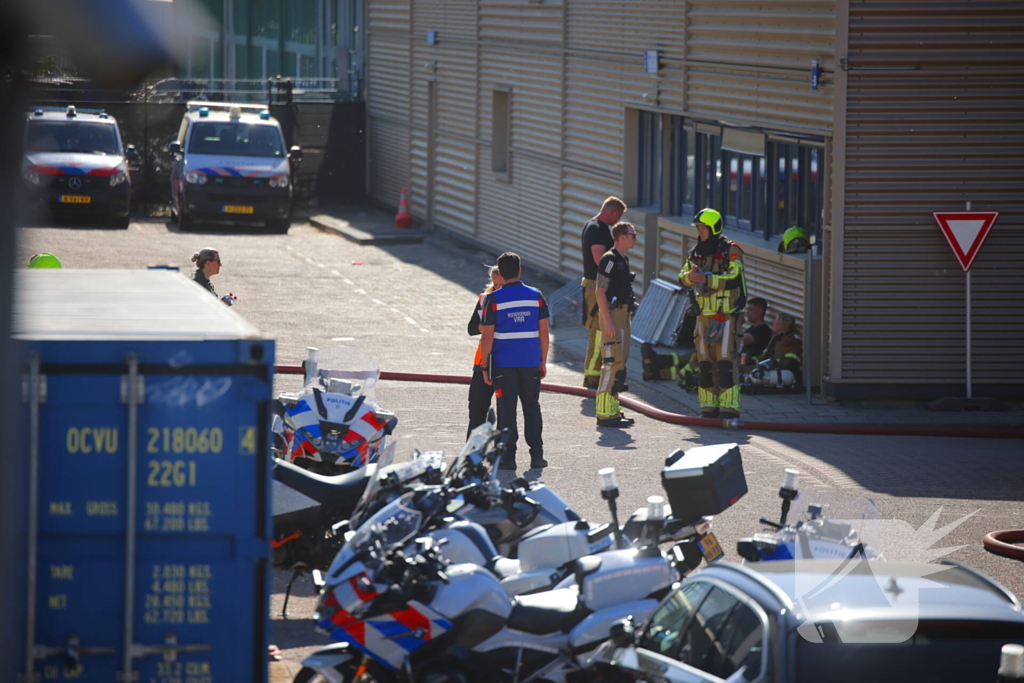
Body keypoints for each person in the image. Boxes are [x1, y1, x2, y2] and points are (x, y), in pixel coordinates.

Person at [478, 252, 550, 470]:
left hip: (503, 364)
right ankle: (537, 456)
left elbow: (487, 337)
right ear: (519, 270)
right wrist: (543, 361)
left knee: (506, 409)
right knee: (532, 406)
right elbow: (544, 333)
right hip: (530, 362)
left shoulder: (493, 299)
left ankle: (508, 459)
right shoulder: (535, 295)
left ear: (500, 272)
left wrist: (484, 367)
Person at [678, 208, 747, 419]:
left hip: (726, 316)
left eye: (703, 228)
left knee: (725, 363)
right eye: (698, 228)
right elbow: (682, 276)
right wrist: (691, 277)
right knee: (705, 364)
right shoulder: (695, 252)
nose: (700, 232)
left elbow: (734, 277)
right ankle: (708, 408)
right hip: (703, 317)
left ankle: (729, 409)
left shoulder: (731, 251)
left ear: (714, 228)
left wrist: (707, 279)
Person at [594, 222, 639, 428]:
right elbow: (599, 291)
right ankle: (604, 413)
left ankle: (612, 409)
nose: (635, 238)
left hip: (623, 314)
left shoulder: (623, 260)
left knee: (620, 364)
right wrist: (609, 321)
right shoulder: (610, 260)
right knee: (612, 363)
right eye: (633, 235)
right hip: (613, 315)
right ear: (621, 236)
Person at [580, 197, 627, 389]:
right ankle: (592, 379)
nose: (617, 221)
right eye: (618, 216)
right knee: (598, 333)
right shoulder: (598, 229)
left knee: (599, 332)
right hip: (596, 285)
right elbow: (600, 258)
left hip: (594, 284)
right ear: (612, 212)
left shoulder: (591, 225)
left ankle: (595, 376)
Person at [466, 265, 504, 438]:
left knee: (506, 411)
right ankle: (471, 451)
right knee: (476, 408)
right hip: (482, 361)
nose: (497, 289)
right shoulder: (485, 299)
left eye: (501, 285)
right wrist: (484, 326)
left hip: (505, 360)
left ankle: (501, 453)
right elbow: (471, 328)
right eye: (495, 285)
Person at [746, 312, 803, 391]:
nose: (773, 323)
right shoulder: (775, 339)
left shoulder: (790, 341)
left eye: (776, 321)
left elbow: (792, 361)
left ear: (783, 324)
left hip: (781, 373)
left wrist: (774, 365)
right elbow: (764, 356)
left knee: (754, 375)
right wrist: (751, 360)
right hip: (769, 371)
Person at [739, 296, 772, 373]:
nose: (747, 313)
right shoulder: (751, 329)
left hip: (754, 368)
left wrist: (737, 325)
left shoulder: (762, 330)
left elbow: (740, 340)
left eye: (750, 309)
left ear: (760, 311)